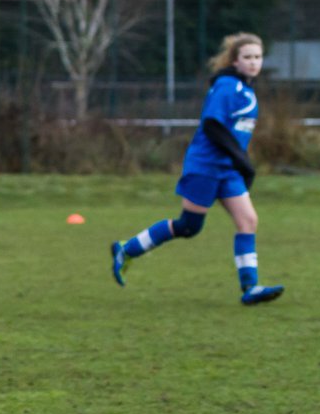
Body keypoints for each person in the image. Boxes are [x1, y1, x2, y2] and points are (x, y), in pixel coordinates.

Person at [111, 32, 284, 305]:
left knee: (248, 221)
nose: (253, 62)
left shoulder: (245, 90)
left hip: (228, 169)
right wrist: (242, 159)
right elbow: (212, 126)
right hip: (206, 165)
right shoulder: (228, 86)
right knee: (189, 226)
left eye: (258, 57)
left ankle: (250, 287)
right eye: (247, 57)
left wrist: (239, 162)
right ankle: (126, 249)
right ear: (235, 61)